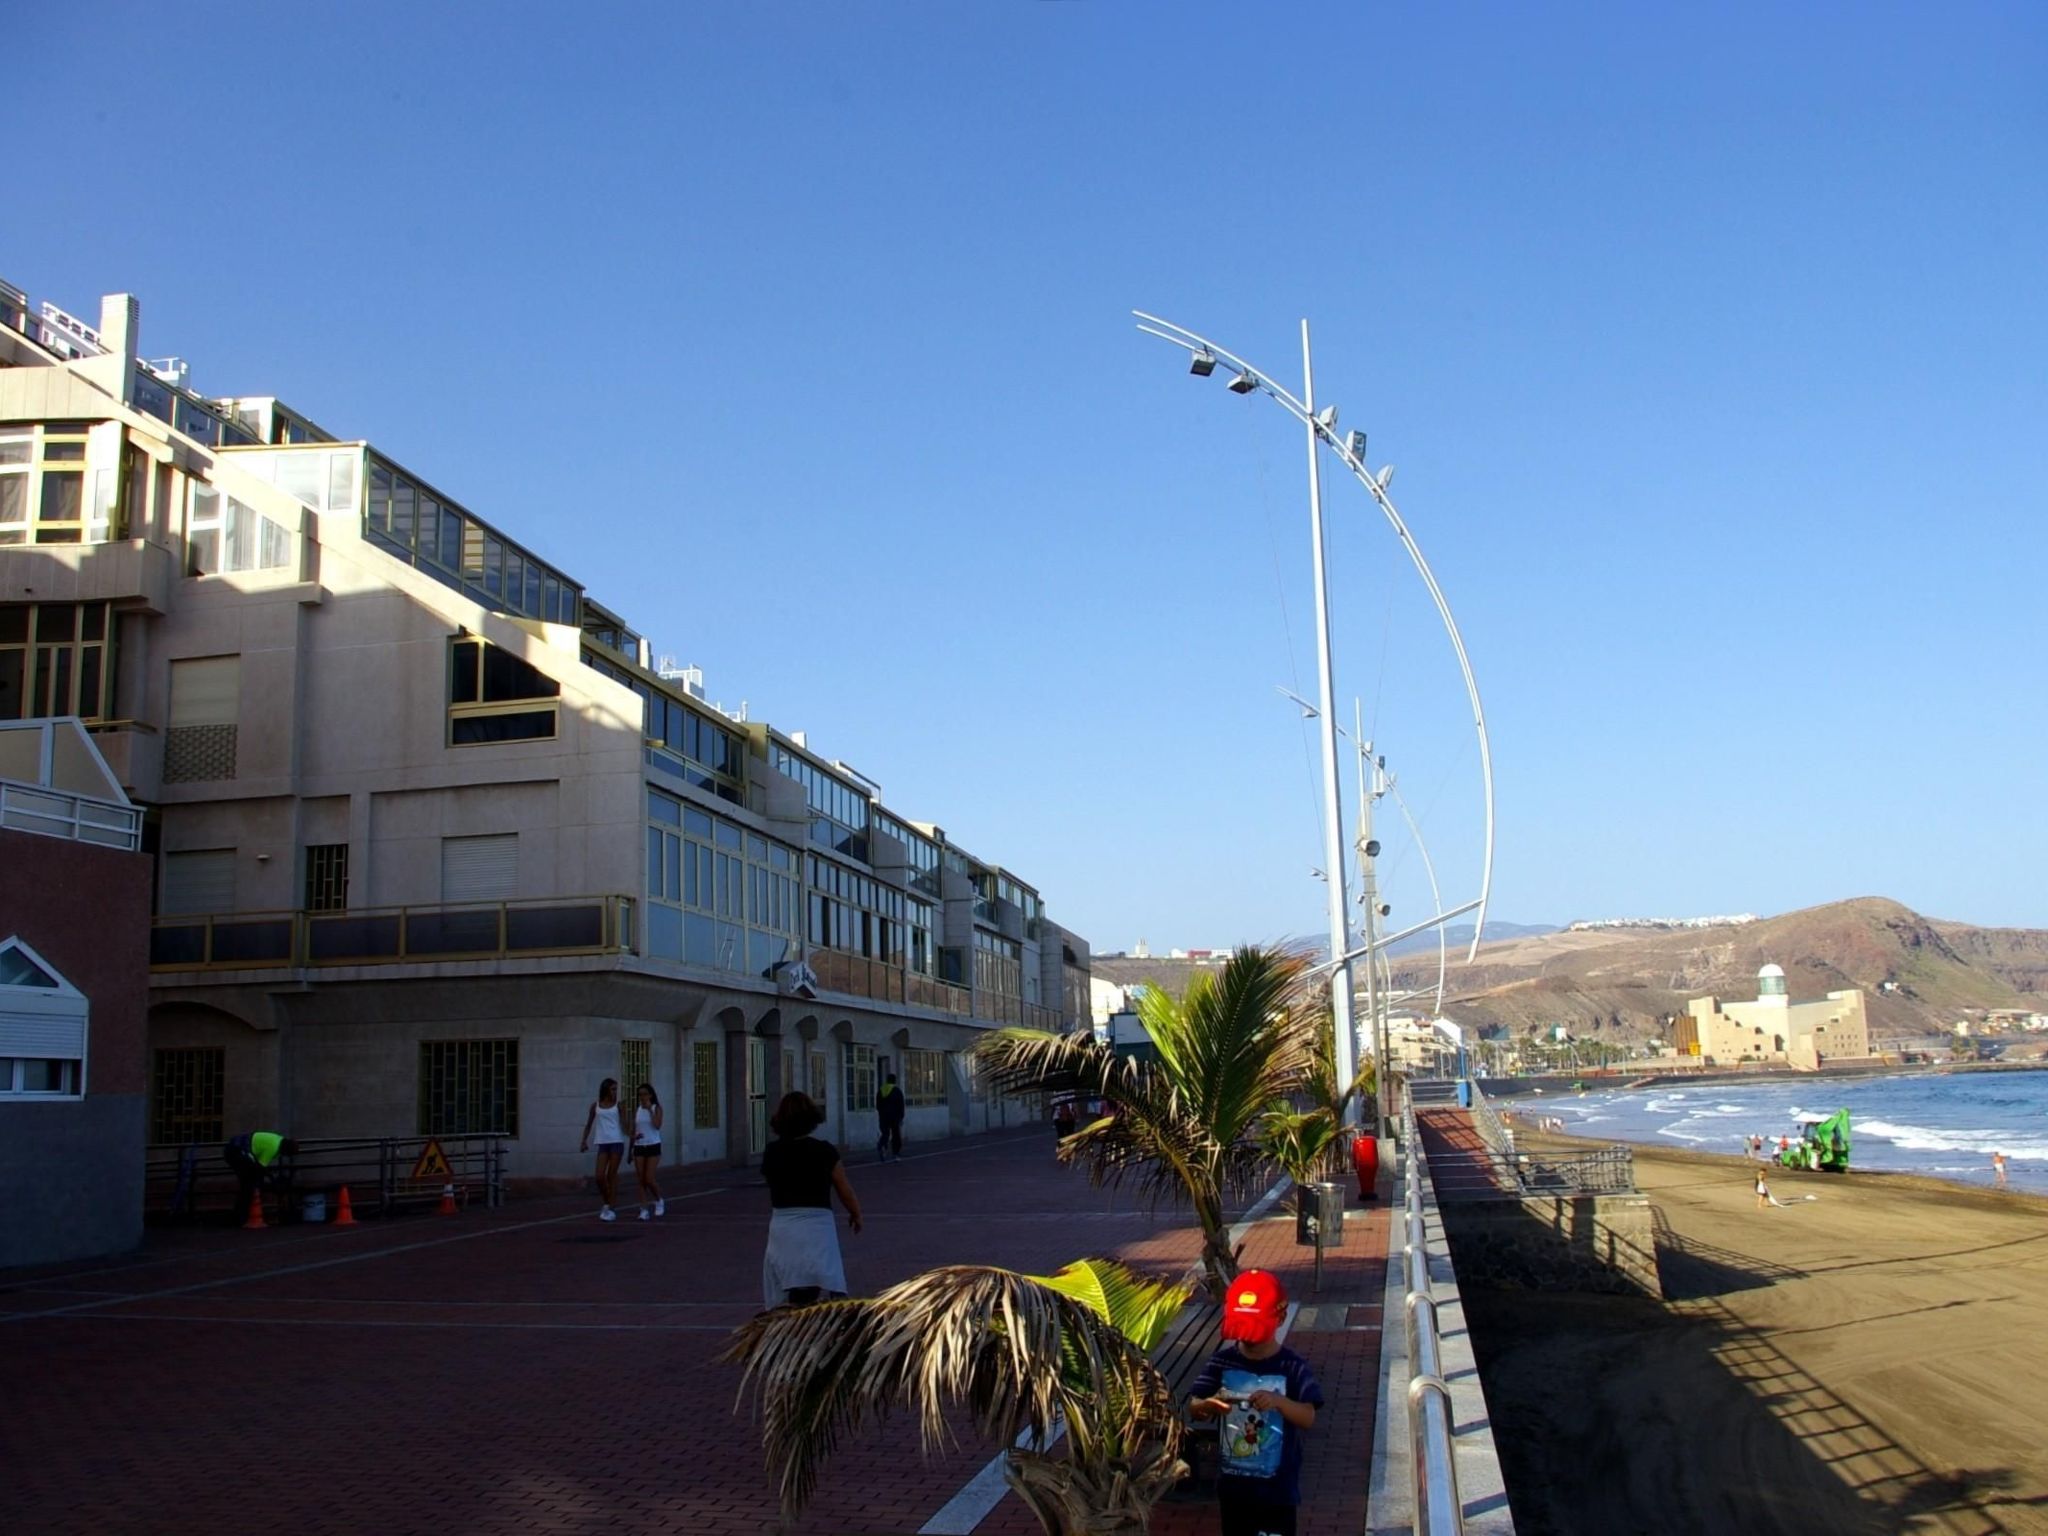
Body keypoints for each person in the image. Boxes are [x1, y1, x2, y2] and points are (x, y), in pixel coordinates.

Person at [1189, 1269, 1323, 1536]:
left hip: (1277, 1491)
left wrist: (1279, 1402)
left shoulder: (1293, 1366)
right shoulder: (1222, 1362)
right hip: (1234, 1489)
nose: (1248, 1340)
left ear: (1280, 1318)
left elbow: (1308, 1416)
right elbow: (1195, 1405)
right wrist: (1209, 1405)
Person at [760, 1091, 862, 1307]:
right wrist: (855, 1213)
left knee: (787, 1278)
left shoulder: (772, 1151)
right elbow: (844, 1188)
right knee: (824, 1275)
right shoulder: (824, 1151)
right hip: (818, 1223)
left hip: (783, 1223)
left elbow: (771, 1180)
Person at [222, 1130, 297, 1226]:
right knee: (248, 1186)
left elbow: (259, 1167)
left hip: (237, 1148)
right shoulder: (273, 1148)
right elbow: (260, 1168)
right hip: (236, 1151)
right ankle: (238, 1219)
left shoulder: (279, 1140)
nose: (285, 1156)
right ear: (286, 1150)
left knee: (248, 1184)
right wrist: (271, 1183)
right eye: (288, 1154)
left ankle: (239, 1217)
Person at [580, 1078, 627, 1222]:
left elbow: (625, 1124)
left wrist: (633, 1133)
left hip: (616, 1141)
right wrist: (584, 1140)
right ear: (605, 1089)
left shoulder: (618, 1106)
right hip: (602, 1142)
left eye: (616, 1089)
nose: (614, 1092)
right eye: (612, 1089)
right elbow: (589, 1124)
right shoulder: (596, 1106)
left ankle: (611, 1208)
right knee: (599, 1176)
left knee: (611, 1175)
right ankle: (607, 1202)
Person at [629, 1082, 665, 1220]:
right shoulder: (637, 1109)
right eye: (640, 1094)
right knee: (641, 1179)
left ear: (650, 1094)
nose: (642, 1097)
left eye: (645, 1094)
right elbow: (634, 1130)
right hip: (639, 1145)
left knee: (649, 1178)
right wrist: (630, 1149)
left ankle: (659, 1200)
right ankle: (643, 1209)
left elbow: (657, 1125)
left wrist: (650, 1109)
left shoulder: (656, 1108)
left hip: (653, 1145)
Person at [876, 1071, 906, 1162]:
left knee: (885, 1133)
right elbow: (901, 1105)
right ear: (894, 1081)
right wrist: (901, 1116)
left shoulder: (880, 1090)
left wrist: (881, 1112)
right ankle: (895, 1154)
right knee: (896, 1135)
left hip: (883, 1116)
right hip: (894, 1117)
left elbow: (877, 1105)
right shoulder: (897, 1091)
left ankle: (882, 1145)